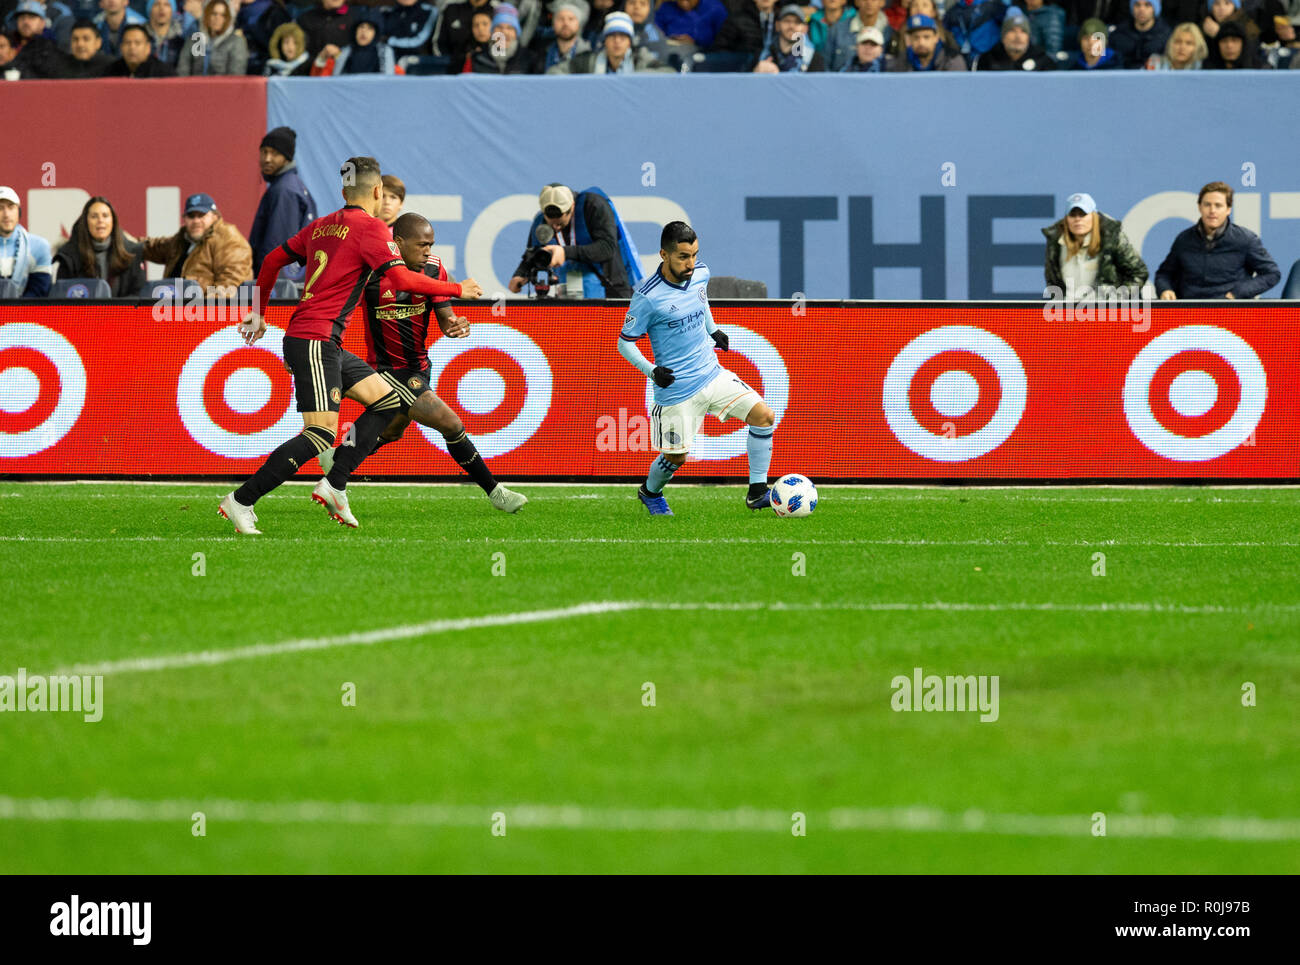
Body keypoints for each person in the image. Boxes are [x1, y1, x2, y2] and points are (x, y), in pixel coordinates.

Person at [221, 156, 484, 535]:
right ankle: (241, 501)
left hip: (320, 340)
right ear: (378, 191)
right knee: (320, 434)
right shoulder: (373, 228)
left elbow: (272, 259)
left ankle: (335, 485)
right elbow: (401, 279)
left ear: (344, 191)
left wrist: (260, 312)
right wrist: (456, 288)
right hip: (315, 339)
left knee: (389, 401)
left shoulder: (322, 225)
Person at [317, 213, 527, 514]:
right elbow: (335, 310)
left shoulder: (434, 269)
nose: (428, 251)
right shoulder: (371, 274)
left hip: (418, 368)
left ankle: (338, 459)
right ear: (397, 243)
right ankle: (495, 492)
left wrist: (456, 326)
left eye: (431, 244)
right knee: (451, 424)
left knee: (391, 431)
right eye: (422, 245)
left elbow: (446, 319)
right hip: (389, 372)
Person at [619, 222, 779, 516]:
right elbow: (624, 344)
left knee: (764, 416)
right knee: (676, 457)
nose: (690, 263)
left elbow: (701, 300)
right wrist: (652, 371)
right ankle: (650, 492)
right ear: (663, 255)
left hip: (712, 372)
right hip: (677, 389)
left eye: (694, 254)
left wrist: (714, 330)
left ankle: (757, 493)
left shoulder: (700, 273)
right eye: (682, 256)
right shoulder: (647, 297)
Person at [508, 183, 638, 298]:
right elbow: (534, 254)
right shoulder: (540, 220)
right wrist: (520, 274)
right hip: (569, 295)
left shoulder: (593, 206)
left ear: (572, 207)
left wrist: (565, 252)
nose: (555, 227)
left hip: (611, 291)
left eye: (560, 223)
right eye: (551, 223)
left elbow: (607, 247)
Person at [1155, 181, 1280, 299]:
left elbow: (1272, 274)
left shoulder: (1245, 239)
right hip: (1190, 312)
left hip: (1231, 312)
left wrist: (1239, 293)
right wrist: (1165, 289)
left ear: (1228, 209)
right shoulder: (1184, 239)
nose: (1212, 211)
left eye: (1218, 205)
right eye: (1207, 205)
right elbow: (1164, 274)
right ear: (1199, 207)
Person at [139, 192, 253, 298]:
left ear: (215, 216)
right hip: (172, 309)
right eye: (191, 216)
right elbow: (152, 247)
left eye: (201, 215)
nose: (196, 221)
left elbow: (231, 283)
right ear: (184, 218)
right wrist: (124, 241)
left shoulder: (229, 240)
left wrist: (202, 308)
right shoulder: (181, 239)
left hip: (209, 313)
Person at [1041, 192, 1148, 300]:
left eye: (1083, 214)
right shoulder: (1056, 243)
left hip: (1106, 313)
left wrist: (1117, 300)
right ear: (1066, 219)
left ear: (1094, 216)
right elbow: (1052, 281)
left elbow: (1138, 273)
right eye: (1072, 215)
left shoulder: (1112, 237)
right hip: (1068, 313)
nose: (1078, 219)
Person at [249, 126, 317, 276]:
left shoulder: (284, 191)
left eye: (274, 154)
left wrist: (269, 286)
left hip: (279, 287)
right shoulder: (292, 185)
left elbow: (278, 248)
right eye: (264, 152)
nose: (267, 159)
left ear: (286, 158)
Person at [52, 195, 145, 297]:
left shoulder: (132, 253)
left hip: (123, 312)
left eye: (105, 215)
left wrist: (115, 311)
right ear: (85, 222)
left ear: (113, 221)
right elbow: (61, 297)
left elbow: (139, 295)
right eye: (94, 216)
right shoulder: (69, 256)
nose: (100, 220)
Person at [550, 10, 670, 70]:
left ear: (629, 42)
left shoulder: (640, 59)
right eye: (612, 36)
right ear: (605, 41)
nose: (617, 41)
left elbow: (667, 72)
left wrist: (636, 78)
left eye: (623, 37)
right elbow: (555, 72)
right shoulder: (589, 60)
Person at [0, 185, 54, 298]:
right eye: (0, 208)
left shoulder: (39, 246)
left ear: (18, 211)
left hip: (26, 314)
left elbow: (40, 291)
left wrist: (15, 312)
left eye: (11, 207)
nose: (6, 214)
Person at [177, 0, 248, 74]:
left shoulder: (236, 42)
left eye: (223, 15)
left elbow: (236, 75)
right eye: (214, 14)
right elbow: (183, 70)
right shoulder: (195, 40)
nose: (217, 18)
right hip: (195, 84)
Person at [975, 5, 1055, 68]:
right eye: (1012, 31)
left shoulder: (1043, 61)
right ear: (1003, 36)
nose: (1018, 36)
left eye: (1023, 31)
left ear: (1028, 37)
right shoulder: (987, 60)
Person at [469, 4, 541, 71]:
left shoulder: (530, 59)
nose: (504, 32)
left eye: (509, 28)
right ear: (492, 32)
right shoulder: (477, 58)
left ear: (516, 33)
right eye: (499, 27)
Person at [753, 4, 826, 70]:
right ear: (777, 25)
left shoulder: (814, 58)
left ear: (805, 28)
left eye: (797, 22)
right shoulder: (762, 55)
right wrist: (756, 72)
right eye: (787, 21)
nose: (791, 26)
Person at [887, 12, 966, 68]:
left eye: (926, 37)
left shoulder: (951, 61)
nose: (921, 42)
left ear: (936, 38)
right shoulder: (902, 61)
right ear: (909, 40)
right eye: (916, 37)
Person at [1110, 0, 1171, 67]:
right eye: (1137, 5)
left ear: (1155, 8)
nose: (1141, 9)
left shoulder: (1167, 35)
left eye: (1147, 5)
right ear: (1132, 8)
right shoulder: (1119, 33)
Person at [10, 0, 62, 77]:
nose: (26, 22)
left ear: (42, 23)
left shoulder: (51, 48)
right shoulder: (8, 43)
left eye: (31, 17)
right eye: (22, 18)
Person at [329, 13, 395, 73]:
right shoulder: (344, 51)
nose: (364, 31)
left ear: (375, 34)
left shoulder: (385, 51)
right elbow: (336, 78)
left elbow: (388, 80)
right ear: (355, 31)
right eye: (361, 27)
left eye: (370, 28)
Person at [654, 0, 728, 49]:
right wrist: (668, 40)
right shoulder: (666, 8)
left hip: (706, 58)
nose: (683, 2)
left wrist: (696, 44)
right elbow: (654, 33)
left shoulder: (715, 8)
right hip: (671, 53)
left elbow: (724, 43)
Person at [542, 0, 590, 71]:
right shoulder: (542, 55)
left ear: (579, 24)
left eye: (571, 19)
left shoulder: (589, 57)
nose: (565, 23)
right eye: (561, 19)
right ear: (553, 24)